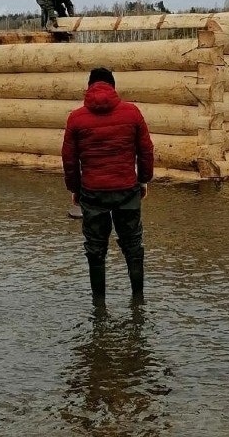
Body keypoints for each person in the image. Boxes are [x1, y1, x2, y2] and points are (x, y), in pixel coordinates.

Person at [61, 67, 154, 303]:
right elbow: (146, 151)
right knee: (133, 246)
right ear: (113, 87)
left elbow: (69, 159)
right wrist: (143, 180)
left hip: (92, 192)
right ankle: (138, 300)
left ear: (89, 87)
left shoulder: (76, 118)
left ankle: (99, 306)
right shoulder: (132, 113)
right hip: (126, 189)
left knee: (95, 250)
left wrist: (75, 189)